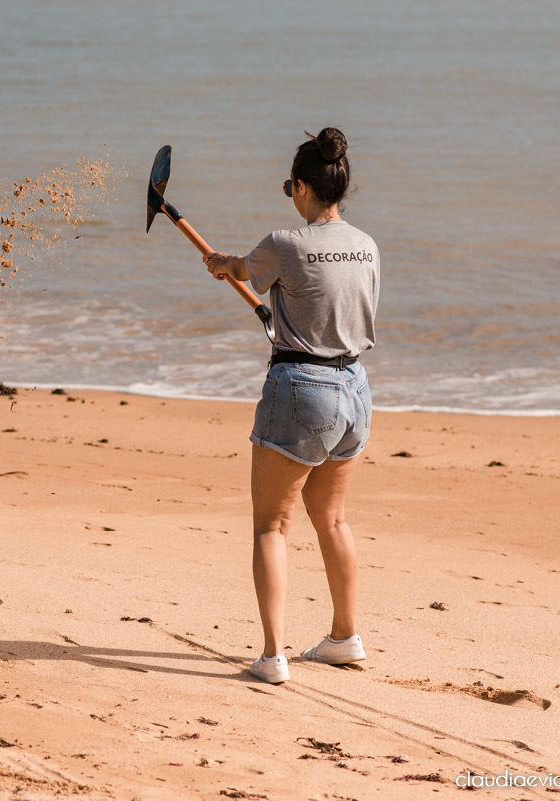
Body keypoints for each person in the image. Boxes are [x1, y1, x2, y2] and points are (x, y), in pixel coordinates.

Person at [203, 127, 379, 684]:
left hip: (302, 387)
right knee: (333, 518)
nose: (290, 196)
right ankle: (345, 637)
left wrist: (221, 262)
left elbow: (241, 268)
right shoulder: (367, 245)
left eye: (290, 188)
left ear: (301, 187)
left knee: (272, 525)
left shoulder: (285, 243)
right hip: (354, 389)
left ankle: (272, 655)